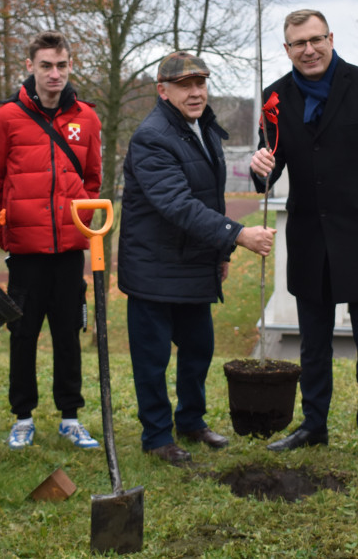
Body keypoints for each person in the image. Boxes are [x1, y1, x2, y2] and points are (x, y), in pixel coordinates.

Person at [249, 9, 358, 468]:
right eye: (297, 44)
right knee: (313, 343)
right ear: (286, 50)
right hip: (310, 237)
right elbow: (271, 168)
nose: (308, 50)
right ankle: (313, 425)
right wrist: (259, 169)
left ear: (331, 38)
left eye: (315, 39)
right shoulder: (275, 98)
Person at [118, 51, 276, 464]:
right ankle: (156, 436)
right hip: (153, 268)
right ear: (163, 91)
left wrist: (219, 251)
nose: (195, 92)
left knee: (198, 348)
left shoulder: (204, 129)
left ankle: (190, 421)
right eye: (185, 85)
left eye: (200, 83)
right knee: (151, 361)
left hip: (192, 263)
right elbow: (177, 204)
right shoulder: (152, 137)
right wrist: (238, 235)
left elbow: (210, 198)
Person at [0, 31, 103, 451]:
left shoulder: (87, 118)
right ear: (30, 66)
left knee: (68, 335)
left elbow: (91, 180)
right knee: (23, 334)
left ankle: (71, 417)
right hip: (26, 254)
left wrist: (81, 223)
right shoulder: (3, 118)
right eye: (47, 65)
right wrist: (5, 230)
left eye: (62, 65)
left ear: (71, 66)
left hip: (70, 252)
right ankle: (23, 417)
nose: (55, 73)